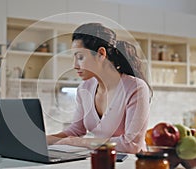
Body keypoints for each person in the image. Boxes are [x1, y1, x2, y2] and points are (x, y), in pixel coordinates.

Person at [47, 23, 152, 153]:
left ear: (101, 54)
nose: (74, 65)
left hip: (132, 163)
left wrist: (76, 142)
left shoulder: (136, 88)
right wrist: (43, 140)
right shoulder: (84, 88)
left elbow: (131, 145)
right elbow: (76, 130)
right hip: (102, 160)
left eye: (80, 57)